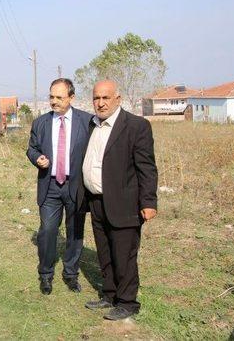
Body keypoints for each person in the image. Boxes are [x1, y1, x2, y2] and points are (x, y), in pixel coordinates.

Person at [80, 80, 158, 320]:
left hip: (124, 203)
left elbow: (146, 168)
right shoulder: (92, 125)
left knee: (124, 254)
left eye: (105, 98)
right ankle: (110, 295)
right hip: (97, 201)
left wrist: (148, 202)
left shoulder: (136, 126)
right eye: (96, 98)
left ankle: (127, 303)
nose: (100, 103)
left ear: (117, 99)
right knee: (105, 252)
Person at [26, 78, 92, 295]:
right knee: (47, 231)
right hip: (50, 186)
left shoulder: (87, 121)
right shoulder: (40, 123)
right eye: (51, 97)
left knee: (75, 232)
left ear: (71, 98)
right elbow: (32, 149)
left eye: (59, 97)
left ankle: (70, 274)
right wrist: (37, 159)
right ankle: (45, 275)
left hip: (76, 186)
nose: (54, 101)